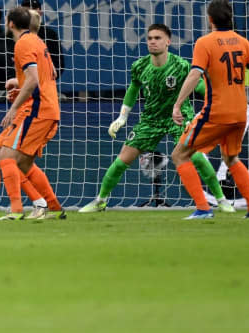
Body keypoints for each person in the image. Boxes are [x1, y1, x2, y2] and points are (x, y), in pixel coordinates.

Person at [79, 23, 232, 214]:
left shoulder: (181, 66)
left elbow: (201, 87)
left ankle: (221, 200)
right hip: (150, 119)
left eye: (157, 38)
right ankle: (100, 201)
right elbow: (133, 89)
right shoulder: (140, 66)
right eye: (150, 38)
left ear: (168, 42)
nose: (153, 42)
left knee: (198, 158)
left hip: (179, 117)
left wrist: (218, 102)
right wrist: (122, 117)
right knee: (121, 161)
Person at [171, 0, 249, 219]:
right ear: (230, 18)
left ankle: (203, 208)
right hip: (240, 113)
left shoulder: (205, 42)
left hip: (216, 112)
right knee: (231, 158)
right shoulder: (243, 42)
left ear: (210, 19)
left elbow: (195, 74)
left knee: (180, 155)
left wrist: (177, 104)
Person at [0, 9, 63, 219]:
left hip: (36, 109)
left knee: (9, 157)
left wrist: (14, 106)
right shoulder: (37, 41)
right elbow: (51, 73)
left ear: (10, 23)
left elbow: (34, 80)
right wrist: (18, 81)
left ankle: (19, 209)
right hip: (36, 107)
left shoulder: (23, 43)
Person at [20, 0, 65, 80]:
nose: (30, 12)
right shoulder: (16, 34)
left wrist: (44, 78)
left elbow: (59, 64)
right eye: (26, 10)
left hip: (44, 83)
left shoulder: (50, 34)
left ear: (40, 12)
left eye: (33, 9)